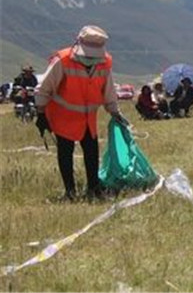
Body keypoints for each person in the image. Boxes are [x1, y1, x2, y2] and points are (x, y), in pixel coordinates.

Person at [35, 25, 129, 201]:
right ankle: (70, 192)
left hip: (87, 118)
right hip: (63, 117)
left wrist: (115, 112)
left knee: (91, 151)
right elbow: (44, 88)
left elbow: (108, 90)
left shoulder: (105, 62)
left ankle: (93, 189)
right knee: (65, 152)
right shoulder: (62, 60)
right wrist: (40, 114)